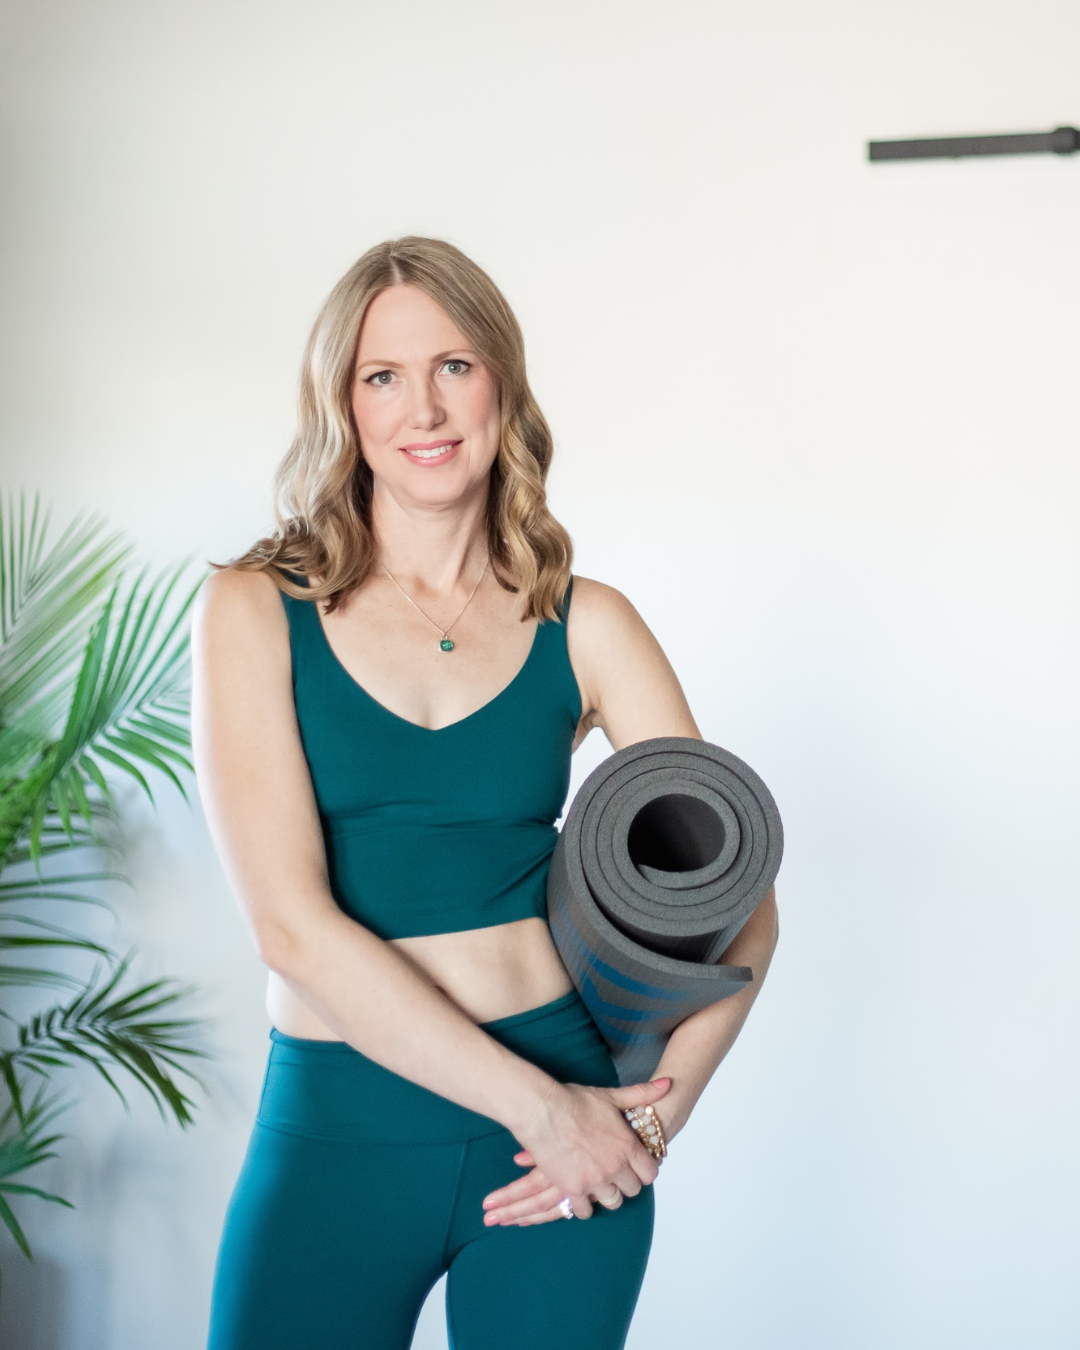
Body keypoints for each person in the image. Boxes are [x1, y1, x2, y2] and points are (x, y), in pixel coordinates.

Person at [191, 236, 779, 1349]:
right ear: (343, 405)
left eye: (454, 365)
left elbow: (739, 898)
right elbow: (288, 928)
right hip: (346, 1124)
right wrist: (540, 1111)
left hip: (567, 1129)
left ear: (501, 383)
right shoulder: (255, 607)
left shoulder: (587, 621)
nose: (424, 407)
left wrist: (649, 1127)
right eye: (383, 376)